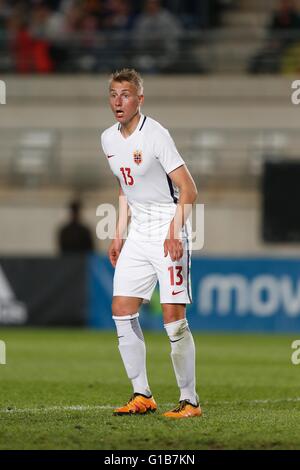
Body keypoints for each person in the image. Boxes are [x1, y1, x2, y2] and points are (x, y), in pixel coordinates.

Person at [101, 68, 201, 418]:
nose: (118, 101)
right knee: (122, 311)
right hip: (138, 235)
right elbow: (125, 188)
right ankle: (142, 394)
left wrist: (175, 232)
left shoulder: (156, 134)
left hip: (167, 229)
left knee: (173, 321)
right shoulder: (108, 139)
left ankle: (190, 400)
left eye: (125, 94)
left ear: (139, 99)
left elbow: (189, 189)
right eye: (113, 93)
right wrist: (118, 233)